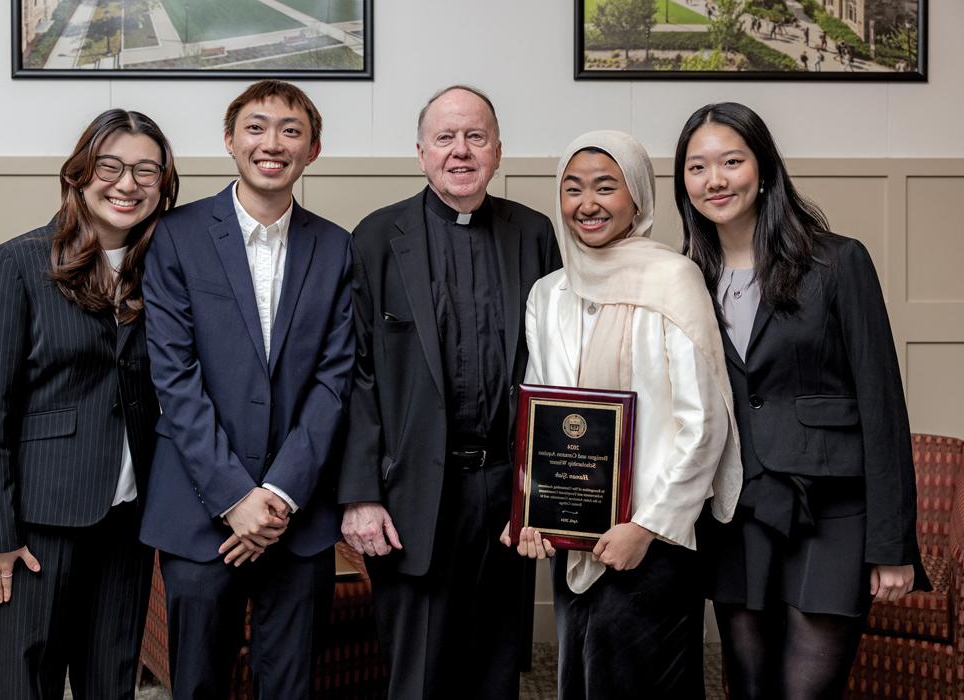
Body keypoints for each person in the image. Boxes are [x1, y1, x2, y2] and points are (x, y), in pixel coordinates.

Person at [675, 102, 928, 699]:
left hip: (833, 513)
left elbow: (884, 407)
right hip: (738, 512)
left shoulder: (838, 262)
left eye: (731, 161)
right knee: (749, 686)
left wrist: (892, 547)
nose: (715, 180)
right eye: (697, 167)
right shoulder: (685, 277)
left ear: (762, 168)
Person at [502, 131, 742, 698]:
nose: (587, 204)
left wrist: (646, 526)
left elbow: (705, 422)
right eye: (573, 188)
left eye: (606, 187)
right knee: (580, 681)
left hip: (650, 539)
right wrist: (532, 507)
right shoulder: (549, 293)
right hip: (573, 531)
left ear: (637, 197)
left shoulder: (673, 280)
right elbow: (544, 413)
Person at [338, 84, 559, 699]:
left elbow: (554, 366)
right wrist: (359, 495)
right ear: (420, 152)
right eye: (445, 138)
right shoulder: (377, 238)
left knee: (496, 670)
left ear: (497, 150)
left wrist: (543, 494)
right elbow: (353, 375)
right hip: (410, 493)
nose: (460, 151)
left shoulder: (534, 234)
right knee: (418, 676)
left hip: (503, 489)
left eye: (475, 137)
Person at [138, 80, 354, 698]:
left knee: (290, 685)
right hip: (199, 510)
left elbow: (333, 381)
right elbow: (174, 379)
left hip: (298, 515)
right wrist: (236, 496)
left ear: (312, 150)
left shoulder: (337, 248)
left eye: (291, 130)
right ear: (230, 141)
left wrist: (280, 493)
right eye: (256, 127)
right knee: (198, 683)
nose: (272, 143)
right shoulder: (176, 236)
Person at [0, 109, 179, 699]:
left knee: (111, 681)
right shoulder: (18, 263)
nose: (127, 184)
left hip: (128, 522)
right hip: (37, 524)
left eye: (146, 171)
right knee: (25, 682)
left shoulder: (163, 269)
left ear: (163, 187)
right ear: (80, 175)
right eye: (110, 166)